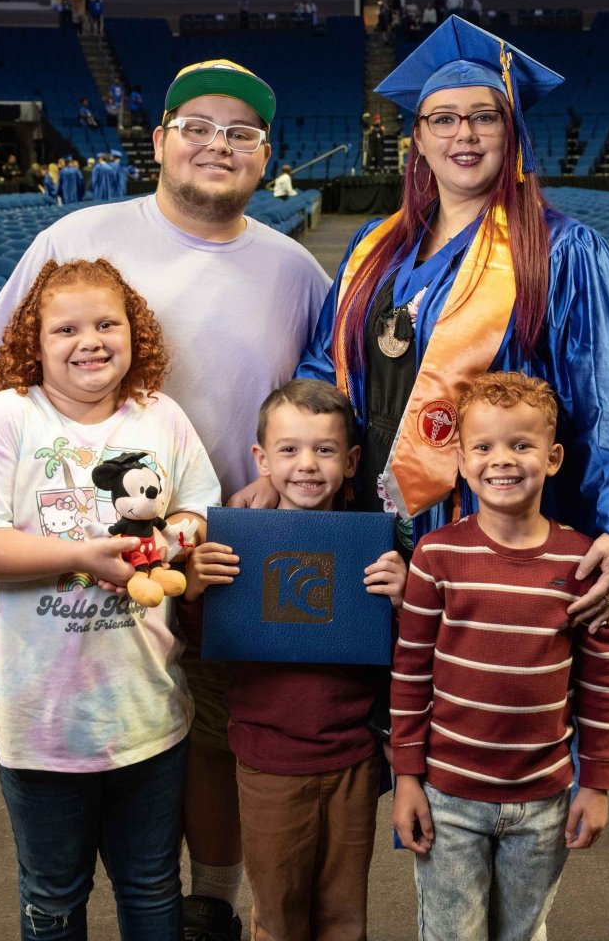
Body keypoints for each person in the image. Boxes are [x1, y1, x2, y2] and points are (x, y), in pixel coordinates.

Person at [0, 58, 331, 941]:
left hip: (222, 551)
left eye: (241, 133)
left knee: (210, 739)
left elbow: (319, 410)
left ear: (266, 154)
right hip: (70, 571)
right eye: (198, 127)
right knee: (89, 745)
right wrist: (37, 524)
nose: (219, 145)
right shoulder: (82, 233)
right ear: (162, 140)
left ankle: (209, 904)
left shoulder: (295, 271)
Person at [290, 15, 609, 631]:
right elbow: (323, 366)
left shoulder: (561, 250)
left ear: (511, 133)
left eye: (484, 116)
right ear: (420, 139)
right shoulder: (373, 247)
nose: (464, 133)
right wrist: (286, 460)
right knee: (383, 695)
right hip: (368, 516)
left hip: (491, 516)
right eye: (444, 118)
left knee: (485, 694)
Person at [0, 258, 222, 940]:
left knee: (152, 887)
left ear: (134, 333)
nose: (88, 340)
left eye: (106, 324)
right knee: (55, 896)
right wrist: (80, 556)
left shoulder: (162, 416)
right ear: (33, 342)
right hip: (41, 721)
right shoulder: (6, 420)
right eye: (64, 329)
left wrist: (174, 539)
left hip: (146, 710)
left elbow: (199, 510)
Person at [392, 371, 609, 940]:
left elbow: (600, 683)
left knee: (523, 933)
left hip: (543, 799)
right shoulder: (436, 555)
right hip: (449, 796)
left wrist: (595, 784)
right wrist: (406, 777)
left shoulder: (581, 563)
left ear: (553, 457)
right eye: (484, 446)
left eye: (522, 445)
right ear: (463, 462)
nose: (503, 460)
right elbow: (411, 673)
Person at [183, 378, 406, 940]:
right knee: (278, 916)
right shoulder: (237, 546)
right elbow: (209, 642)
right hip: (269, 760)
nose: (306, 465)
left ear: (352, 460)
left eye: (325, 450)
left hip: (353, 756)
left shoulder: (377, 549)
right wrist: (192, 589)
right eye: (288, 450)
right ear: (260, 459)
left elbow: (406, 654)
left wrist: (407, 601)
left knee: (344, 914)